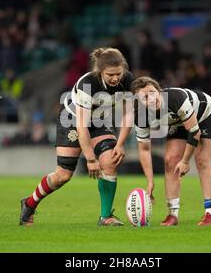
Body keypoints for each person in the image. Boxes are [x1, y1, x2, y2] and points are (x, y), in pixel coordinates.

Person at [19, 48, 134, 226]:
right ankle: (29, 203)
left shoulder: (127, 80)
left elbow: (128, 115)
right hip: (72, 120)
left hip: (99, 120)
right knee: (63, 175)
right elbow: (82, 126)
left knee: (110, 161)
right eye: (110, 74)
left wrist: (120, 144)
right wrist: (90, 159)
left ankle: (105, 217)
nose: (115, 78)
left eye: (118, 73)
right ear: (100, 71)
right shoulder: (87, 84)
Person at [131, 77, 211, 226]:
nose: (151, 99)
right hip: (181, 123)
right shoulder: (140, 116)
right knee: (170, 161)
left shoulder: (175, 98)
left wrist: (185, 161)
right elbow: (144, 149)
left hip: (209, 115)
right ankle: (172, 215)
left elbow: (195, 132)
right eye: (144, 97)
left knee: (202, 160)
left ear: (159, 91)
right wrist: (150, 181)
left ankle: (210, 215)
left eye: (152, 92)